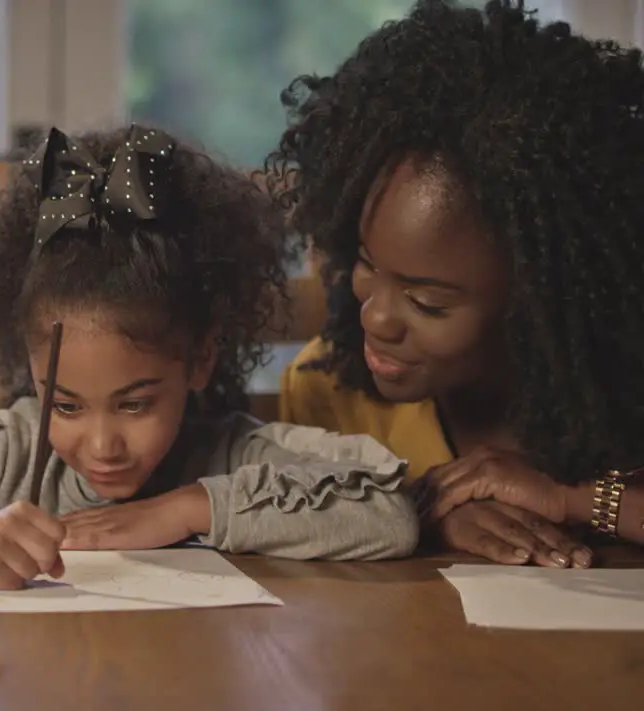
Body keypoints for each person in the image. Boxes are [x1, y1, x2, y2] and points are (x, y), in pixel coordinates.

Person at [0, 124, 418, 590]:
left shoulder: (231, 455)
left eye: (135, 403)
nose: (103, 443)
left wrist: (188, 507)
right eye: (66, 404)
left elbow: (389, 515)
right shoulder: (0, 452)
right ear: (34, 373)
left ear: (199, 360)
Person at [267, 0, 644, 569]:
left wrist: (572, 499)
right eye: (366, 263)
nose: (376, 317)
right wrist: (420, 515)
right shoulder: (331, 391)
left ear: (539, 299)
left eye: (426, 302)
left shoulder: (622, 385)